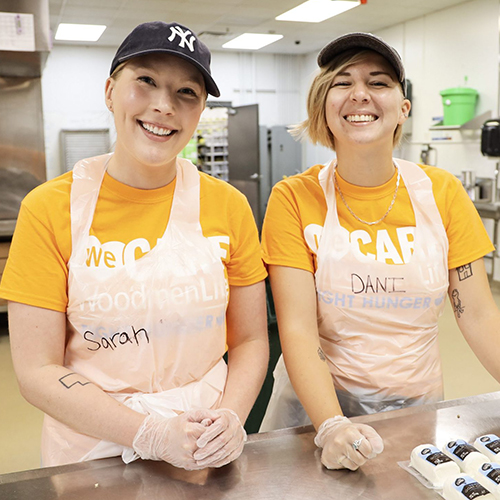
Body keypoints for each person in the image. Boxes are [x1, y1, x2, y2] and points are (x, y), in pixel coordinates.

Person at [0, 21, 268, 470]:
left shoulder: (228, 206)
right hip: (92, 451)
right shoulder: (50, 209)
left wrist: (231, 417)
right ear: (110, 91)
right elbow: (36, 371)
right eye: (145, 81)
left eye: (187, 92)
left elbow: (252, 339)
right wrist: (148, 433)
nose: (164, 106)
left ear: (200, 110)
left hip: (206, 440)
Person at [259, 32, 500, 471]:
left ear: (403, 108)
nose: (360, 95)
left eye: (379, 82)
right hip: (310, 414)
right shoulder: (294, 197)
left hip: (413, 409)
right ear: (323, 106)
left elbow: (479, 315)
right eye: (342, 82)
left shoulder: (441, 193)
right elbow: (296, 328)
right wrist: (331, 424)